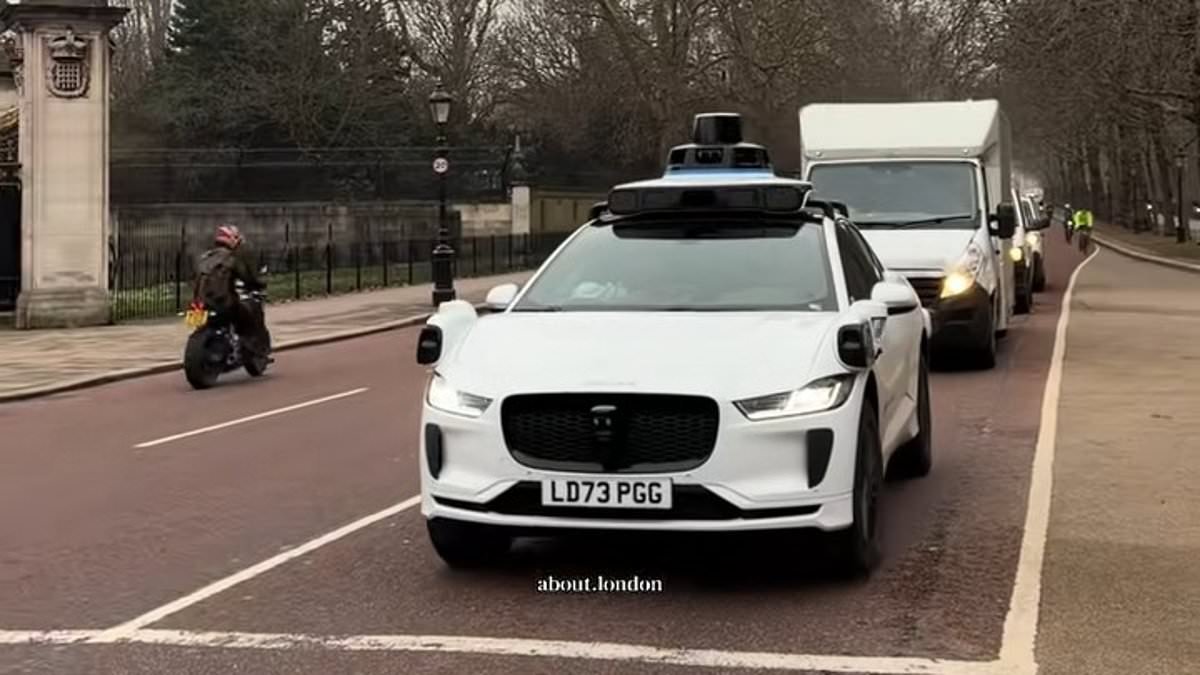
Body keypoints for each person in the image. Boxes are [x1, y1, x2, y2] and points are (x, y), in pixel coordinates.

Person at [192, 224, 270, 358]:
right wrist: (259, 284)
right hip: (222, 302)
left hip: (199, 303)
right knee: (248, 316)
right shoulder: (231, 258)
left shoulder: (204, 258)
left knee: (202, 323)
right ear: (232, 240)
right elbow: (247, 277)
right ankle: (247, 346)